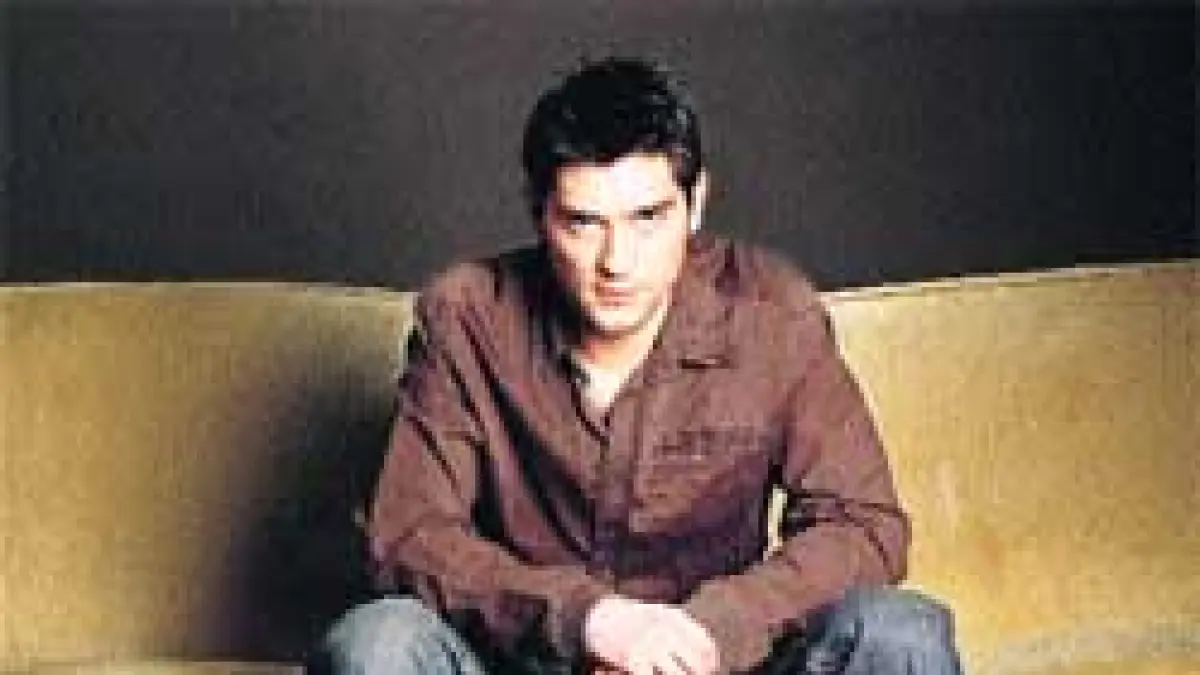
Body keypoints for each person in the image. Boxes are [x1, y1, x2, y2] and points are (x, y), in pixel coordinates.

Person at [311, 56, 963, 675]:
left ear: (696, 203)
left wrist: (714, 628)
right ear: (539, 214)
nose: (617, 261)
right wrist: (588, 620)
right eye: (583, 223)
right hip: (529, 662)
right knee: (377, 641)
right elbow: (409, 535)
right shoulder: (467, 319)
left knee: (900, 632)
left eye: (648, 218)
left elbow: (862, 526)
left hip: (716, 663)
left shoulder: (772, 317)